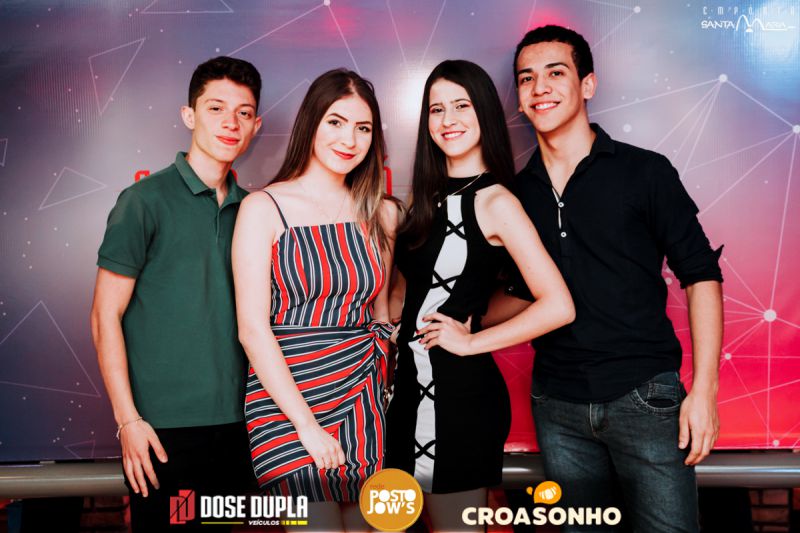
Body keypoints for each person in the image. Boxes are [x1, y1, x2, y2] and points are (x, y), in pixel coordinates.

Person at [495, 25, 724, 532]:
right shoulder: (514, 194)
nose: (539, 88)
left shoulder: (645, 172)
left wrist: (704, 390)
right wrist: (453, 324)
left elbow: (701, 274)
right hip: (557, 404)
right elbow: (524, 296)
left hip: (645, 396)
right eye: (527, 78)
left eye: (556, 73)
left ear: (588, 85)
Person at [384, 59, 575, 532]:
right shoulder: (425, 199)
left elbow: (558, 304)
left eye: (461, 106)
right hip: (405, 395)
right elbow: (403, 302)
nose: (447, 120)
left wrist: (471, 342)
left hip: (460, 400)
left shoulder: (496, 201)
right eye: (437, 109)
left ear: (485, 112)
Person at [91, 56, 263, 531]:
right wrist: (128, 421)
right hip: (163, 432)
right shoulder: (143, 201)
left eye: (244, 113)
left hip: (245, 427)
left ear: (255, 126)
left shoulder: (256, 210)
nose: (230, 123)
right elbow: (104, 316)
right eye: (215, 108)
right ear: (189, 115)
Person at [233, 68, 399, 530]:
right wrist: (305, 425)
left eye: (363, 128)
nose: (350, 139)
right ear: (311, 123)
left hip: (361, 393)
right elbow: (252, 330)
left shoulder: (380, 212)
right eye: (336, 122)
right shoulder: (262, 208)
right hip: (287, 402)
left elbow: (381, 313)